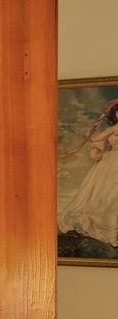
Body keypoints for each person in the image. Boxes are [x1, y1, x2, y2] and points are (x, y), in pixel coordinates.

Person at [59, 99, 118, 245]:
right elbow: (97, 139)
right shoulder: (113, 128)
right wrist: (93, 142)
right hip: (110, 163)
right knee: (105, 194)